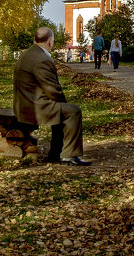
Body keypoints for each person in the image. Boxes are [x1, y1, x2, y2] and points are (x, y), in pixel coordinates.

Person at [13, 27, 91, 166]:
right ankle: (69, 155)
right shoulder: (42, 59)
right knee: (73, 111)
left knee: (61, 110)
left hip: (23, 104)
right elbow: (53, 90)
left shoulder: (28, 53)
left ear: (34, 39)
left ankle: (56, 152)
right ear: (50, 42)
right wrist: (64, 104)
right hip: (33, 108)